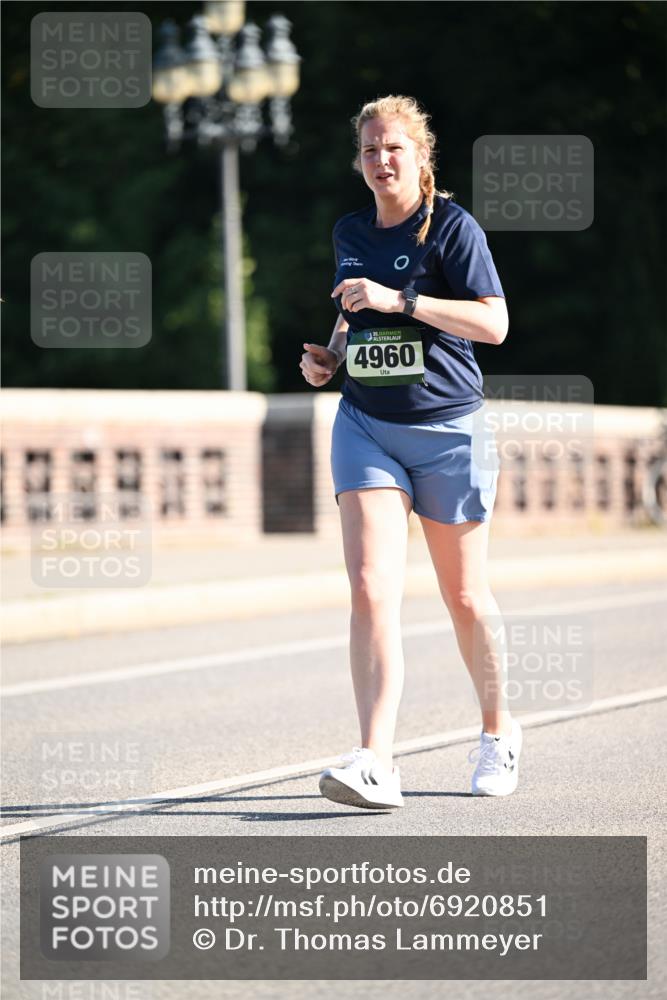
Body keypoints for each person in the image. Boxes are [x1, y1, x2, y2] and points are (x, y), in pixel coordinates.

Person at [299, 95, 521, 810]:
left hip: (446, 432)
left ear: (421, 157)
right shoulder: (349, 230)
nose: (380, 159)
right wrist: (331, 357)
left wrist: (402, 302)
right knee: (368, 587)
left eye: (392, 147)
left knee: (462, 596)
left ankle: (495, 732)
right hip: (365, 424)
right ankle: (374, 760)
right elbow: (349, 306)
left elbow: (494, 324)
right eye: (368, 150)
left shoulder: (452, 229)